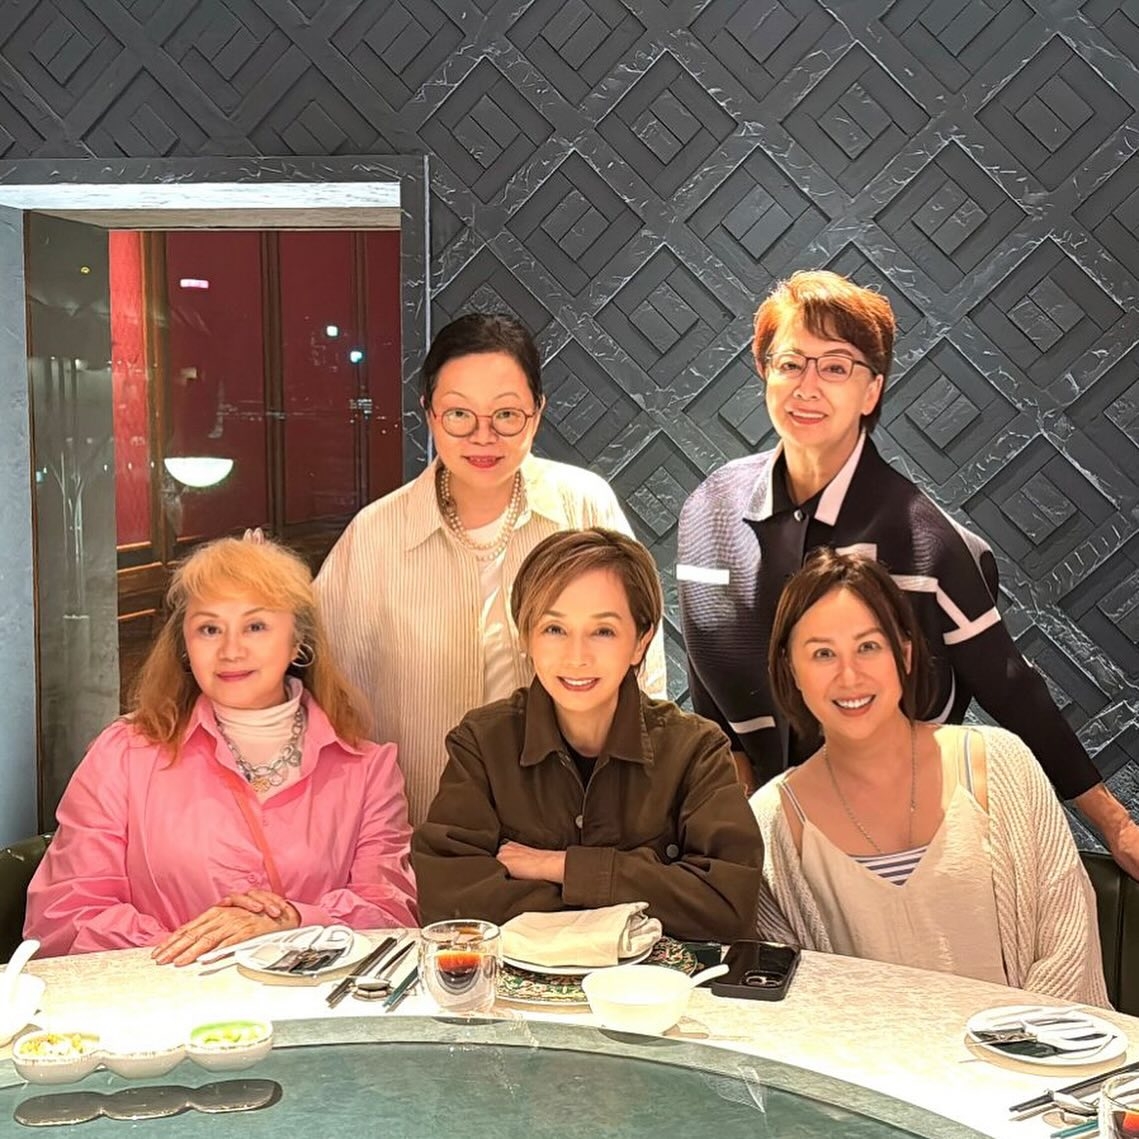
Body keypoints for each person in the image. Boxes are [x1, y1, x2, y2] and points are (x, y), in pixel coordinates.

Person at [677, 269, 1139, 877]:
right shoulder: (708, 513)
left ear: (872, 390)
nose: (807, 387)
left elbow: (1012, 691)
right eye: (790, 363)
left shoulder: (927, 542)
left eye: (835, 367)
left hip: (900, 845)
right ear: (764, 371)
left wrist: (1118, 826)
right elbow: (710, 691)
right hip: (762, 843)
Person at [315, 313, 666, 826]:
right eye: (459, 414)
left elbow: (643, 674)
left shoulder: (582, 507)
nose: (483, 436)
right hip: (420, 826)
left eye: (506, 414)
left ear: (538, 412)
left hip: (569, 832)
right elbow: (329, 692)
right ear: (429, 412)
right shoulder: (376, 534)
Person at [25, 536, 418, 962]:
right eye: (209, 629)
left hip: (312, 998)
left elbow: (391, 915)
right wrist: (197, 949)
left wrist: (294, 922)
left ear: (298, 640)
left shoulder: (368, 769)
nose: (231, 651)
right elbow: (62, 916)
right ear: (185, 644)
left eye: (256, 626)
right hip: (162, 994)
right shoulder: (123, 754)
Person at [751, 549, 1107, 1004]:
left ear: (904, 653)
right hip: (873, 1052)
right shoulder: (770, 823)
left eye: (868, 647)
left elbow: (1068, 947)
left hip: (1041, 1047)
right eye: (823, 654)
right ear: (791, 669)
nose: (849, 675)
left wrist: (1017, 1045)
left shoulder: (1001, 763)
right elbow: (800, 1003)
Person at [412, 528, 762, 943]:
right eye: (554, 629)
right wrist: (637, 894)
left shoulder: (696, 750)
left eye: (603, 631)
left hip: (655, 984)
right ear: (525, 636)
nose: (577, 657)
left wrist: (562, 866)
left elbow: (727, 906)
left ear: (641, 641)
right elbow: (449, 901)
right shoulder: (482, 744)